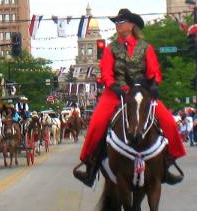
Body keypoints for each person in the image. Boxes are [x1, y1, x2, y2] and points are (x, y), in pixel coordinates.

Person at [73, 9, 186, 187]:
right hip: (116, 93)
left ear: (132, 25)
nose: (118, 25)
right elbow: (106, 72)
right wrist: (114, 85)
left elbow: (154, 71)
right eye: (116, 22)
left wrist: (154, 84)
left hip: (141, 92)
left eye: (121, 21)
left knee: (169, 121)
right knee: (96, 123)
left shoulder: (145, 47)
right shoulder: (111, 49)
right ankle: (90, 166)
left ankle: (168, 162)